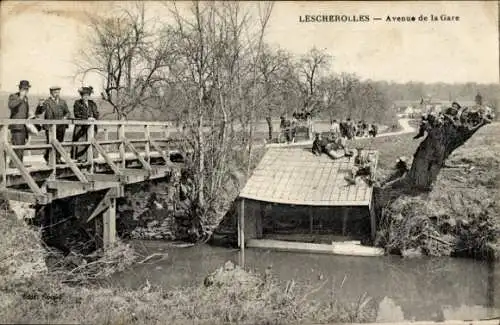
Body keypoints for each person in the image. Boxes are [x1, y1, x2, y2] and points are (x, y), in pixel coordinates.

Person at [35, 86, 70, 164]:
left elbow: (68, 112)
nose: (57, 94)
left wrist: (65, 117)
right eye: (55, 92)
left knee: (60, 143)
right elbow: (39, 112)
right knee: (50, 143)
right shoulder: (47, 102)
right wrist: (40, 105)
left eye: (58, 92)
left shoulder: (62, 101)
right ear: (51, 93)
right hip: (50, 126)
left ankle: (58, 159)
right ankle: (49, 158)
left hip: (61, 126)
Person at [71, 86, 99, 162]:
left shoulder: (92, 104)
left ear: (89, 96)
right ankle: (81, 158)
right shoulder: (77, 103)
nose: (85, 97)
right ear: (81, 96)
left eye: (87, 95)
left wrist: (94, 117)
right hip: (81, 127)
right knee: (81, 142)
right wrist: (87, 118)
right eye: (84, 95)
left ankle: (91, 158)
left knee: (91, 141)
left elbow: (96, 113)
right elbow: (77, 114)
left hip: (91, 127)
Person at [8, 80, 32, 167]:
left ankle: (19, 164)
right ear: (20, 89)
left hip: (23, 126)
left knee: (21, 145)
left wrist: (30, 115)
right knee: (17, 145)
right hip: (16, 126)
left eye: (27, 89)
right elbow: (11, 106)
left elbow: (24, 111)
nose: (26, 91)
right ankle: (14, 164)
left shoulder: (26, 98)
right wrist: (20, 98)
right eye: (24, 89)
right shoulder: (13, 96)